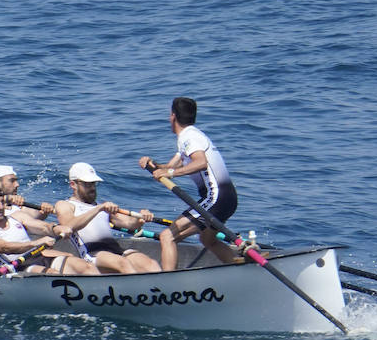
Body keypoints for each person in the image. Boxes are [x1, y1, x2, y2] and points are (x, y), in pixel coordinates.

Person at [138, 97, 239, 271]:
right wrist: (152, 164)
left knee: (167, 236)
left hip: (216, 197)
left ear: (173, 116)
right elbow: (171, 165)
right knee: (207, 240)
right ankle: (240, 268)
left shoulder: (189, 137)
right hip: (229, 198)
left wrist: (169, 173)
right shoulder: (192, 136)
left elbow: (200, 162)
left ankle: (168, 284)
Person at [54, 162, 161, 273]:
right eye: (87, 184)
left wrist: (140, 218)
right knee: (123, 263)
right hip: (92, 254)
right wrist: (98, 209)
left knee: (149, 264)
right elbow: (68, 226)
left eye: (93, 183)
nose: (92, 188)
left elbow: (130, 224)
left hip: (115, 251)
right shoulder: (65, 205)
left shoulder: (103, 206)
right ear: (73, 185)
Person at [0, 188, 97, 275]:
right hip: (19, 267)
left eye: (2, 202)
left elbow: (42, 227)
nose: (1, 207)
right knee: (53, 274)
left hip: (39, 256)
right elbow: (5, 247)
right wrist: (36, 244)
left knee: (85, 266)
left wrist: (55, 228)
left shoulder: (16, 216)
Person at [0, 165, 71, 240]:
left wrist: (44, 211)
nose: (17, 185)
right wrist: (7, 198)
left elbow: (33, 217)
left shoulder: (17, 208)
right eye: (12, 181)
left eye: (16, 181)